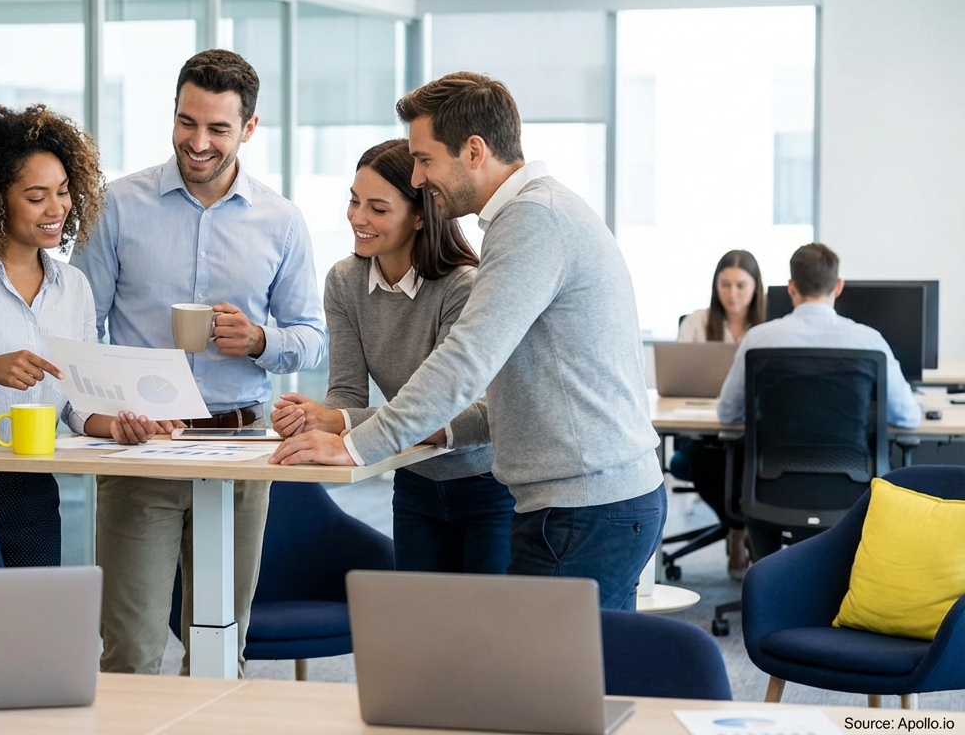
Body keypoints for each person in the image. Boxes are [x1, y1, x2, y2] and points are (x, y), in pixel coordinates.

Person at [270, 71, 666, 612]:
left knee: (537, 687)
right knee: (549, 683)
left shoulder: (533, 220)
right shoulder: (532, 214)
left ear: (474, 150)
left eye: (425, 159)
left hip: (584, 503)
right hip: (582, 496)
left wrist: (353, 443)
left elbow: (463, 363)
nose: (418, 175)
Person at [70, 49, 326, 674]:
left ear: (249, 128)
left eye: (218, 128)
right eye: (188, 122)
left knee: (219, 648)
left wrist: (261, 342)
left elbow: (314, 338)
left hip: (240, 448)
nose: (199, 142)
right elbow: (79, 326)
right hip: (143, 450)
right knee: (130, 651)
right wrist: (106, 410)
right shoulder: (117, 207)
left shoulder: (282, 221)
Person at [0, 104, 177, 568]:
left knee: (32, 635)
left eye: (64, 192)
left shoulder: (74, 288)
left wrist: (120, 424)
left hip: (32, 492)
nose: (58, 209)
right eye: (37, 196)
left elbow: (75, 403)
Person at [270, 138, 512, 574]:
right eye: (354, 201)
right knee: (417, 630)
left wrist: (338, 423)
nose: (358, 219)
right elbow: (346, 393)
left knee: (488, 633)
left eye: (378, 209)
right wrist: (315, 420)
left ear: (420, 215)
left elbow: (462, 413)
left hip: (488, 485)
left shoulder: (463, 287)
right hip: (415, 480)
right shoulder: (344, 281)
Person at [716, 242, 921, 558]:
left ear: (791, 287)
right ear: (838, 286)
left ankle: (765, 582)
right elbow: (908, 417)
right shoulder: (869, 341)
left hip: (770, 489)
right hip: (852, 491)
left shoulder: (758, 339)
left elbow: (727, 413)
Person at [674, 249, 766, 579]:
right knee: (713, 462)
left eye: (741, 285)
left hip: (756, 433)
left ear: (757, 287)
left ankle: (740, 530)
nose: (732, 293)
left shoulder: (769, 326)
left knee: (752, 458)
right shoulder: (697, 322)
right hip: (705, 434)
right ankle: (740, 532)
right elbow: (678, 376)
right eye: (724, 284)